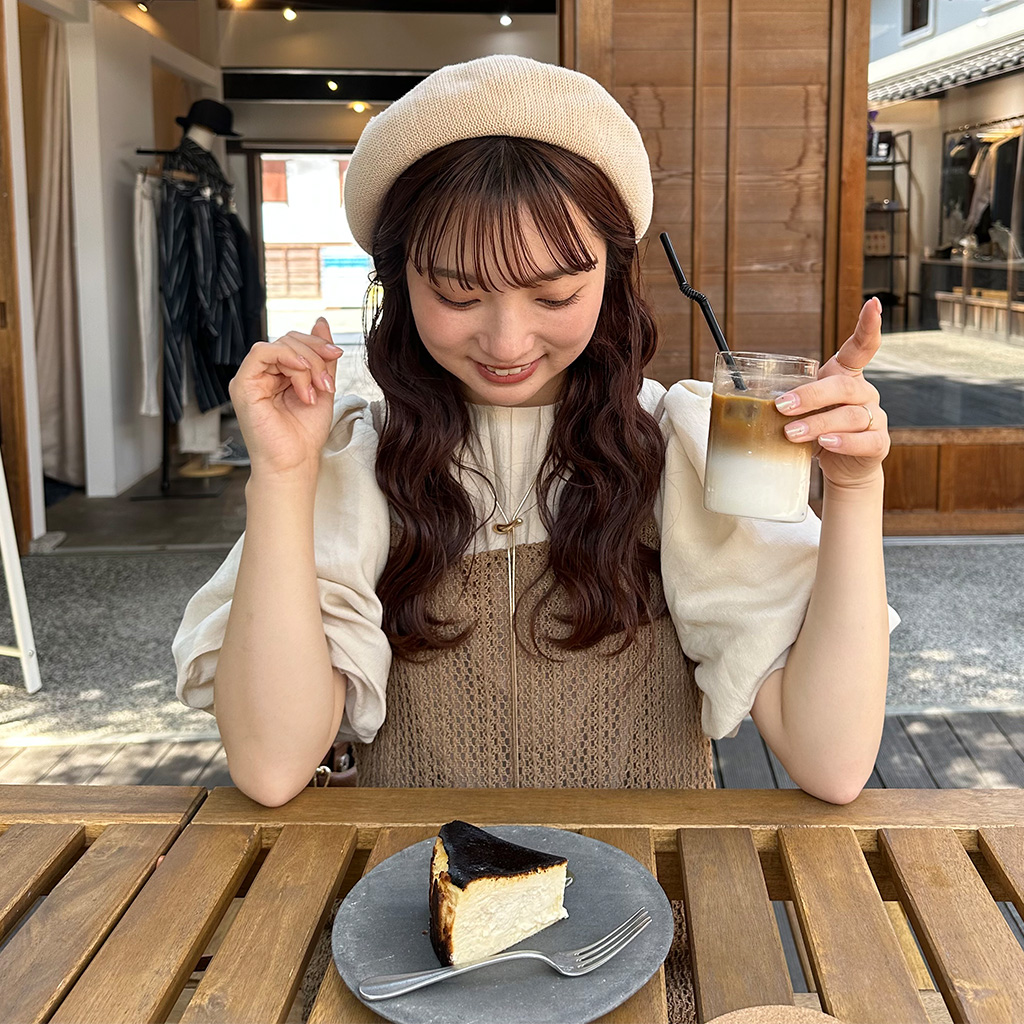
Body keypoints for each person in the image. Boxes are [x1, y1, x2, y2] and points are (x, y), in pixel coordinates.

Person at [172, 55, 896, 1022]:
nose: (508, 341)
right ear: (397, 278)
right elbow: (269, 767)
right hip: (417, 960)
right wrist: (282, 476)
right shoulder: (352, 453)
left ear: (615, 275)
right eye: (458, 291)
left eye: (554, 295)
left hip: (635, 951)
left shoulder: (682, 451)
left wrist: (854, 489)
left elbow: (832, 760)